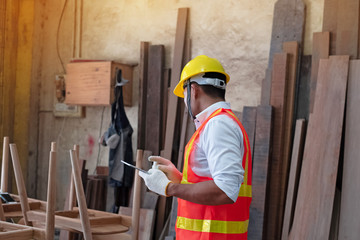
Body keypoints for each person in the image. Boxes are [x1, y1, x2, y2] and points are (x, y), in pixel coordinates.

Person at [139, 55, 252, 240]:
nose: (185, 103)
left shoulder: (218, 125)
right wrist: (179, 178)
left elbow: (225, 189)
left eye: (184, 96)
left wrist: (169, 188)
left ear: (193, 89)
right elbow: (215, 180)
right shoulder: (217, 123)